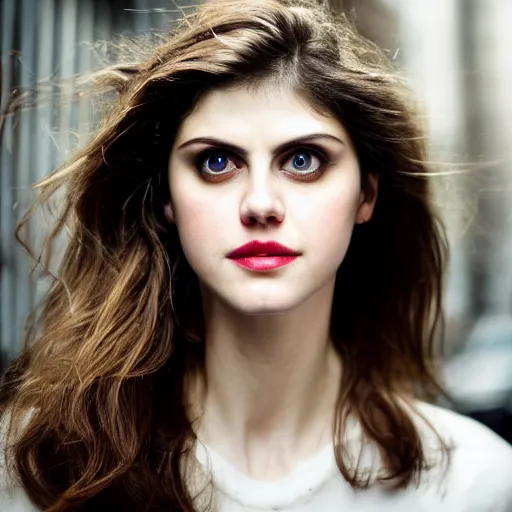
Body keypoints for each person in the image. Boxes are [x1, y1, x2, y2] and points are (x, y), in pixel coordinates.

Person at [1, 0, 512, 510]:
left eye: (303, 160)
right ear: (166, 199)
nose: (261, 204)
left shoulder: (471, 483)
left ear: (366, 194)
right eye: (217, 162)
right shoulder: (35, 466)